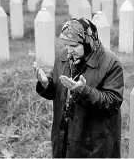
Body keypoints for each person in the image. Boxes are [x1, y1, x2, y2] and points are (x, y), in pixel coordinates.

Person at [33, 17, 124, 158]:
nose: (69, 51)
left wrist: (84, 91)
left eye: (74, 46)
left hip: (93, 145)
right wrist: (46, 84)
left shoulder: (110, 63)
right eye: (66, 45)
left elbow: (112, 102)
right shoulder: (64, 56)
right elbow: (58, 91)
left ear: (88, 41)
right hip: (64, 137)